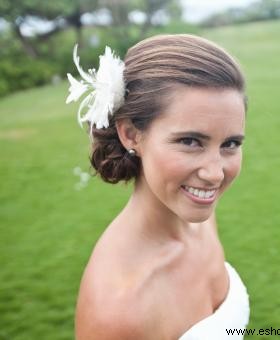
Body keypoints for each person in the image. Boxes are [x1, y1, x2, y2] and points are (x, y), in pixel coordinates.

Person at [66, 34, 249, 340]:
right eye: (190, 141)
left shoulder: (199, 219)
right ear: (130, 135)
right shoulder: (118, 311)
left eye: (230, 143)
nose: (216, 174)